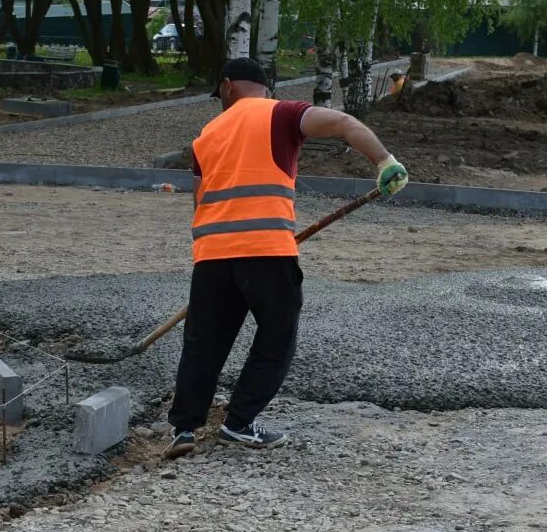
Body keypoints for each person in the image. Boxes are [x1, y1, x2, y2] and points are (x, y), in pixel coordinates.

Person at [165, 57, 409, 458]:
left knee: (203, 343)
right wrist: (385, 162)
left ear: (227, 86)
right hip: (265, 250)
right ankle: (239, 423)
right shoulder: (282, 113)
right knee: (277, 336)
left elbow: (199, 198)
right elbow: (345, 124)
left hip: (211, 254)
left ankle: (184, 429)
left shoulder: (206, 135)